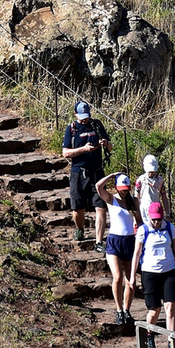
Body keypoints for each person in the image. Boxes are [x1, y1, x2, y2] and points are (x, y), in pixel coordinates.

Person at [129, 202, 175, 348]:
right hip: (150, 273)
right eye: (154, 219)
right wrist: (132, 276)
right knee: (155, 310)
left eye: (158, 219)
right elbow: (136, 254)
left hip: (170, 271)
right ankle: (150, 334)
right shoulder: (143, 230)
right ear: (149, 216)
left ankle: (171, 342)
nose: (156, 222)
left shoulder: (169, 228)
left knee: (171, 307)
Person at [62, 99, 112, 246]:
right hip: (78, 172)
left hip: (97, 172)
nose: (85, 120)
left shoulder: (96, 125)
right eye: (82, 117)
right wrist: (83, 149)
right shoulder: (71, 129)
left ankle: (98, 241)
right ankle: (80, 229)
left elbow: (110, 147)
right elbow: (65, 153)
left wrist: (105, 144)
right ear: (75, 114)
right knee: (78, 208)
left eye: (87, 116)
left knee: (100, 207)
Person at [97, 171, 139, 325]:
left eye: (126, 189)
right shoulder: (111, 199)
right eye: (122, 189)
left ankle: (127, 310)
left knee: (131, 280)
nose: (124, 192)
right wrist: (112, 175)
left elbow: (139, 221)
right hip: (114, 241)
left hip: (129, 241)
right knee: (117, 276)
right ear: (117, 188)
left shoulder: (133, 201)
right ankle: (119, 309)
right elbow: (98, 186)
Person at [134, 153, 167, 228]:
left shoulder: (160, 180)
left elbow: (164, 196)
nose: (151, 172)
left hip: (156, 209)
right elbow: (136, 197)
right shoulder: (140, 180)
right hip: (144, 208)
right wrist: (136, 215)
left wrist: (167, 213)